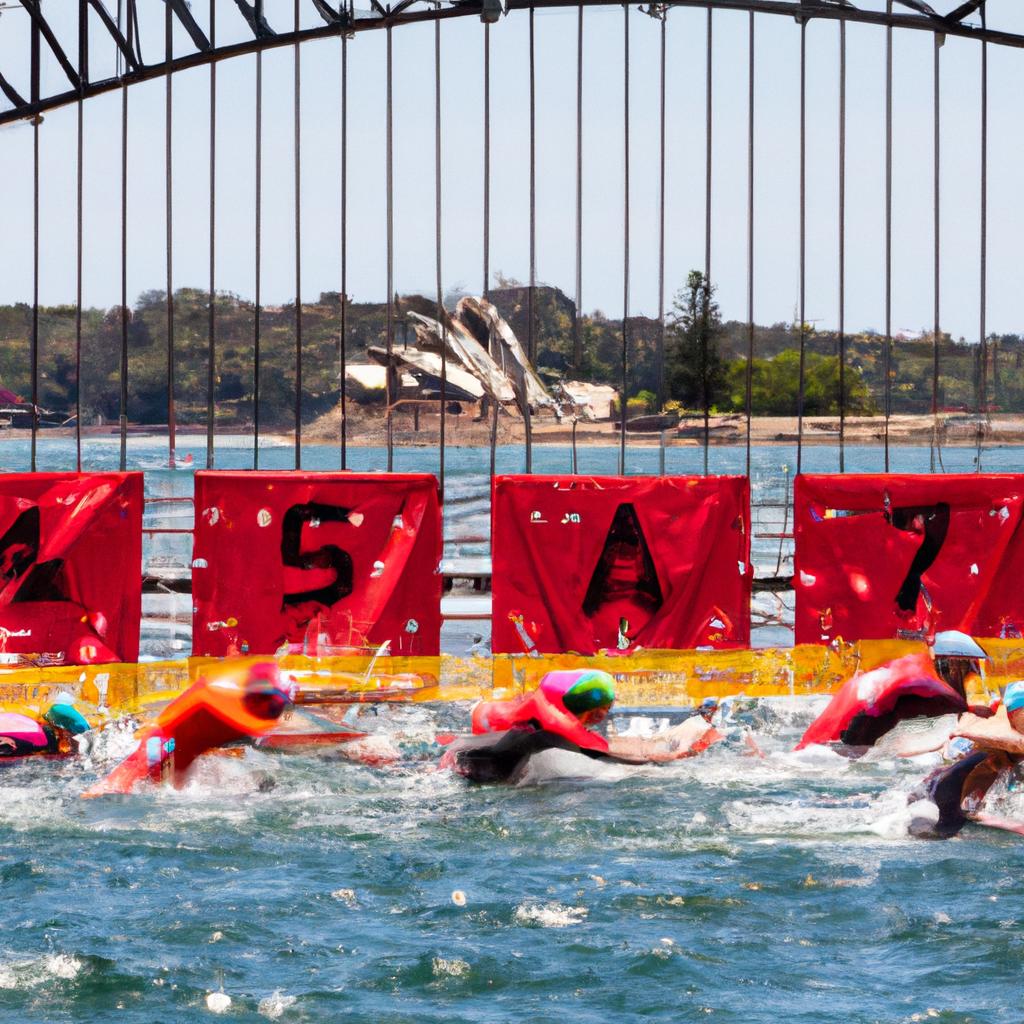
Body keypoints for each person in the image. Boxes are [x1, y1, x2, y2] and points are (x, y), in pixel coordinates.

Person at [444, 668, 721, 782]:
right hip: (472, 766)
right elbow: (599, 749)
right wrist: (668, 756)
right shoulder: (551, 721)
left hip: (477, 745)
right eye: (603, 710)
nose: (605, 716)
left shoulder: (542, 706)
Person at [796, 630, 992, 753]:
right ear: (953, 663)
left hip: (850, 724)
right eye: (970, 664)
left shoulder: (910, 671)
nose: (971, 669)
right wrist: (969, 709)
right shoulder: (929, 685)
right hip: (866, 724)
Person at [909, 681, 1024, 838]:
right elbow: (970, 809)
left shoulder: (1010, 751)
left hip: (944, 788)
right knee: (939, 833)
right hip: (933, 800)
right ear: (1012, 717)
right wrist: (1013, 825)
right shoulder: (991, 758)